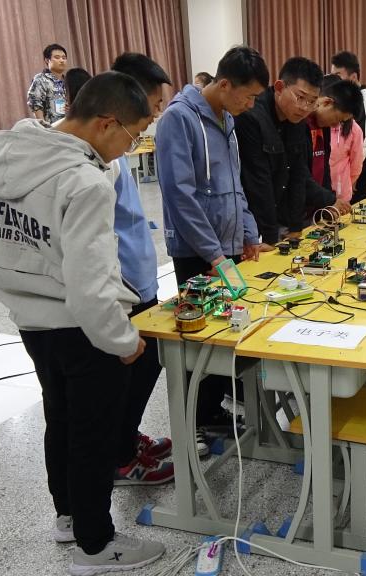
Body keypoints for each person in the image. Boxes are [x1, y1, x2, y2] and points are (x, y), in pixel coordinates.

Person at [0, 71, 165, 574]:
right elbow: (91, 287)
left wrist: (7, 282)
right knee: (93, 434)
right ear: (107, 123)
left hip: (32, 323)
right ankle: (96, 545)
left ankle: (67, 518)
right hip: (83, 330)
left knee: (60, 419)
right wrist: (123, 340)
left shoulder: (3, 152)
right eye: (132, 137)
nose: (129, 150)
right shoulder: (86, 182)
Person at [157, 46, 268, 445]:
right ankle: (195, 423)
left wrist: (249, 234)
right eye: (248, 96)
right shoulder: (179, 119)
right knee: (199, 339)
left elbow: (235, 185)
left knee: (227, 330)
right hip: (196, 251)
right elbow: (180, 196)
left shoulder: (228, 120)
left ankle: (212, 408)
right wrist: (214, 253)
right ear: (224, 84)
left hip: (227, 245)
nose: (251, 105)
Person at [107, 53, 177, 485]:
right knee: (131, 371)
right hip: (121, 288)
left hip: (138, 280)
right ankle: (119, 457)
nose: (155, 115)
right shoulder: (99, 158)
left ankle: (126, 438)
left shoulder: (117, 151)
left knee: (145, 365)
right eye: (152, 105)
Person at [235, 56, 325, 247]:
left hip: (280, 218)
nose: (305, 108)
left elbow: (298, 175)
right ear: (279, 87)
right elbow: (257, 181)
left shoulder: (297, 120)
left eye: (312, 102)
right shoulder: (252, 117)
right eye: (300, 97)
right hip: (250, 222)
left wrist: (295, 227)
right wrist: (269, 236)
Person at [331, 51, 366, 201]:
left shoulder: (364, 99)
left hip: (360, 175)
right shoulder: (349, 98)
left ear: (353, 77)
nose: (335, 81)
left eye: (338, 75)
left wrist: (353, 177)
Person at [316, 75, 364, 209]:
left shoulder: (354, 130)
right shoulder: (311, 124)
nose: (336, 124)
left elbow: (356, 164)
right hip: (316, 196)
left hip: (338, 194)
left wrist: (346, 184)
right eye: (337, 118)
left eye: (341, 120)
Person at [27, 43, 69, 126]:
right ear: (47, 60)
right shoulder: (41, 79)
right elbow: (35, 103)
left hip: (68, 126)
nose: (61, 60)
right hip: (50, 127)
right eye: (57, 57)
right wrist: (43, 126)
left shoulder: (68, 81)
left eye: (64, 58)